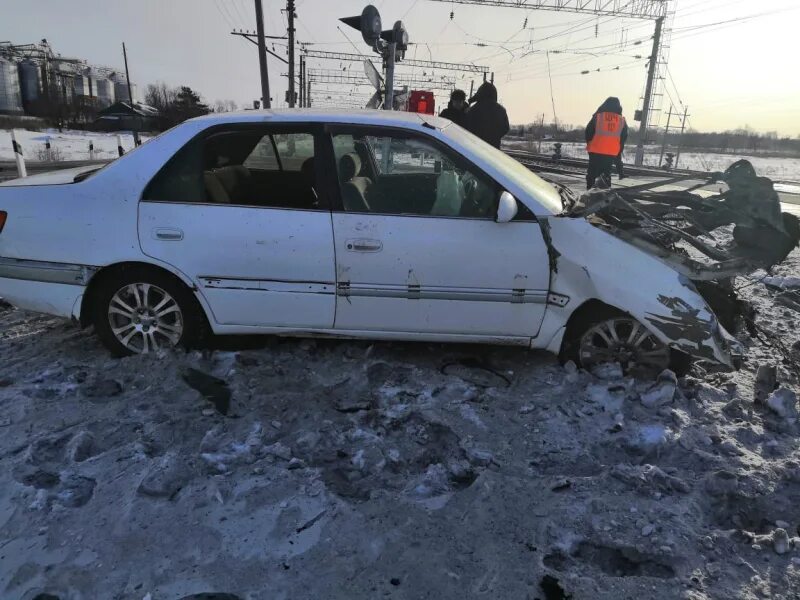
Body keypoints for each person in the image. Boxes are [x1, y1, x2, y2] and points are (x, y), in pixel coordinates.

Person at [585, 97, 628, 189]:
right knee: (606, 175)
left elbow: (588, 132)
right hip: (611, 153)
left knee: (592, 175)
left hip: (595, 150)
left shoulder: (598, 116)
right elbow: (623, 137)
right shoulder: (621, 120)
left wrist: (589, 144)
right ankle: (604, 195)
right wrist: (618, 150)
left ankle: (589, 195)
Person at [463, 82, 510, 149]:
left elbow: (466, 127)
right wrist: (495, 136)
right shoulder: (501, 110)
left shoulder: (473, 109)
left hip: (476, 146)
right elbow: (506, 128)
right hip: (494, 147)